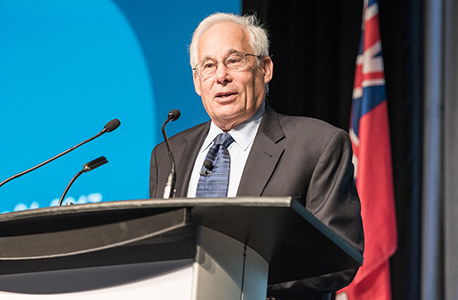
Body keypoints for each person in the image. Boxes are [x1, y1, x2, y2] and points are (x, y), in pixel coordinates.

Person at [149, 12, 364, 300]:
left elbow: (337, 259)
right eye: (208, 66)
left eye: (234, 60)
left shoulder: (317, 144)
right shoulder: (168, 153)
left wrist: (230, 280)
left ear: (265, 68)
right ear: (197, 82)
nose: (221, 76)